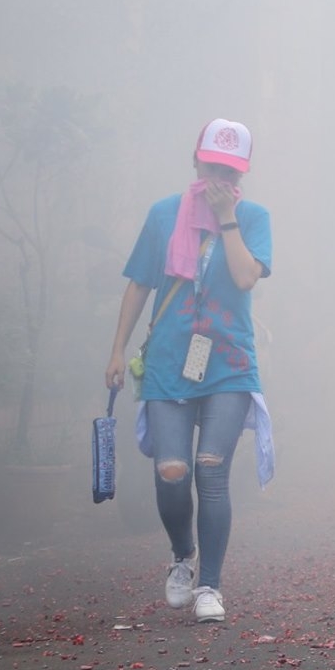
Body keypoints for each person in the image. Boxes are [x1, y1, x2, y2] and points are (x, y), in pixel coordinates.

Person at [104, 119, 273, 625]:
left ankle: (210, 585)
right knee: (172, 472)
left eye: (229, 168)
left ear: (241, 171)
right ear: (194, 161)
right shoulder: (162, 217)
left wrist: (226, 220)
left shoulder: (253, 217)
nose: (218, 175)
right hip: (169, 362)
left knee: (213, 470)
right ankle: (182, 555)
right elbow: (139, 284)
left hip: (229, 364)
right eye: (211, 164)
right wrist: (115, 351)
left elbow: (245, 277)